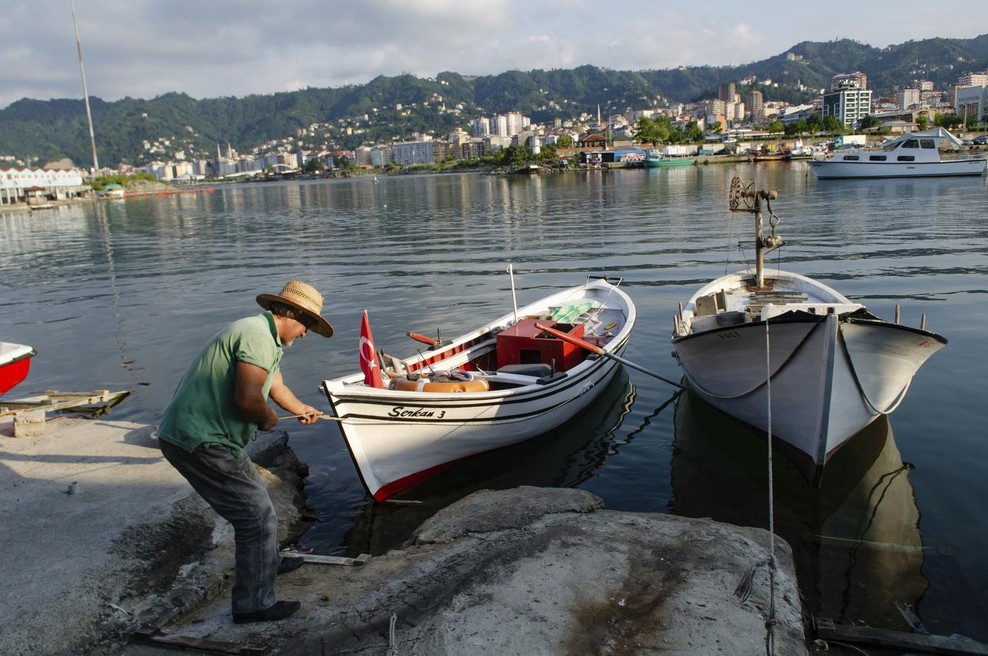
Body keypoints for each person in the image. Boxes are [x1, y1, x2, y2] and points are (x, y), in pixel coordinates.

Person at [156, 280, 333, 624]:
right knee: (256, 518)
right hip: (202, 441)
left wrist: (299, 408)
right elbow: (249, 399)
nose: (306, 334)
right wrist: (267, 418)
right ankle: (253, 604)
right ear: (290, 314)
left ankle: (265, 561)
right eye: (306, 325)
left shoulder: (262, 334)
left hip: (205, 438)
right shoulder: (256, 337)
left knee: (258, 507)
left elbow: (275, 385)